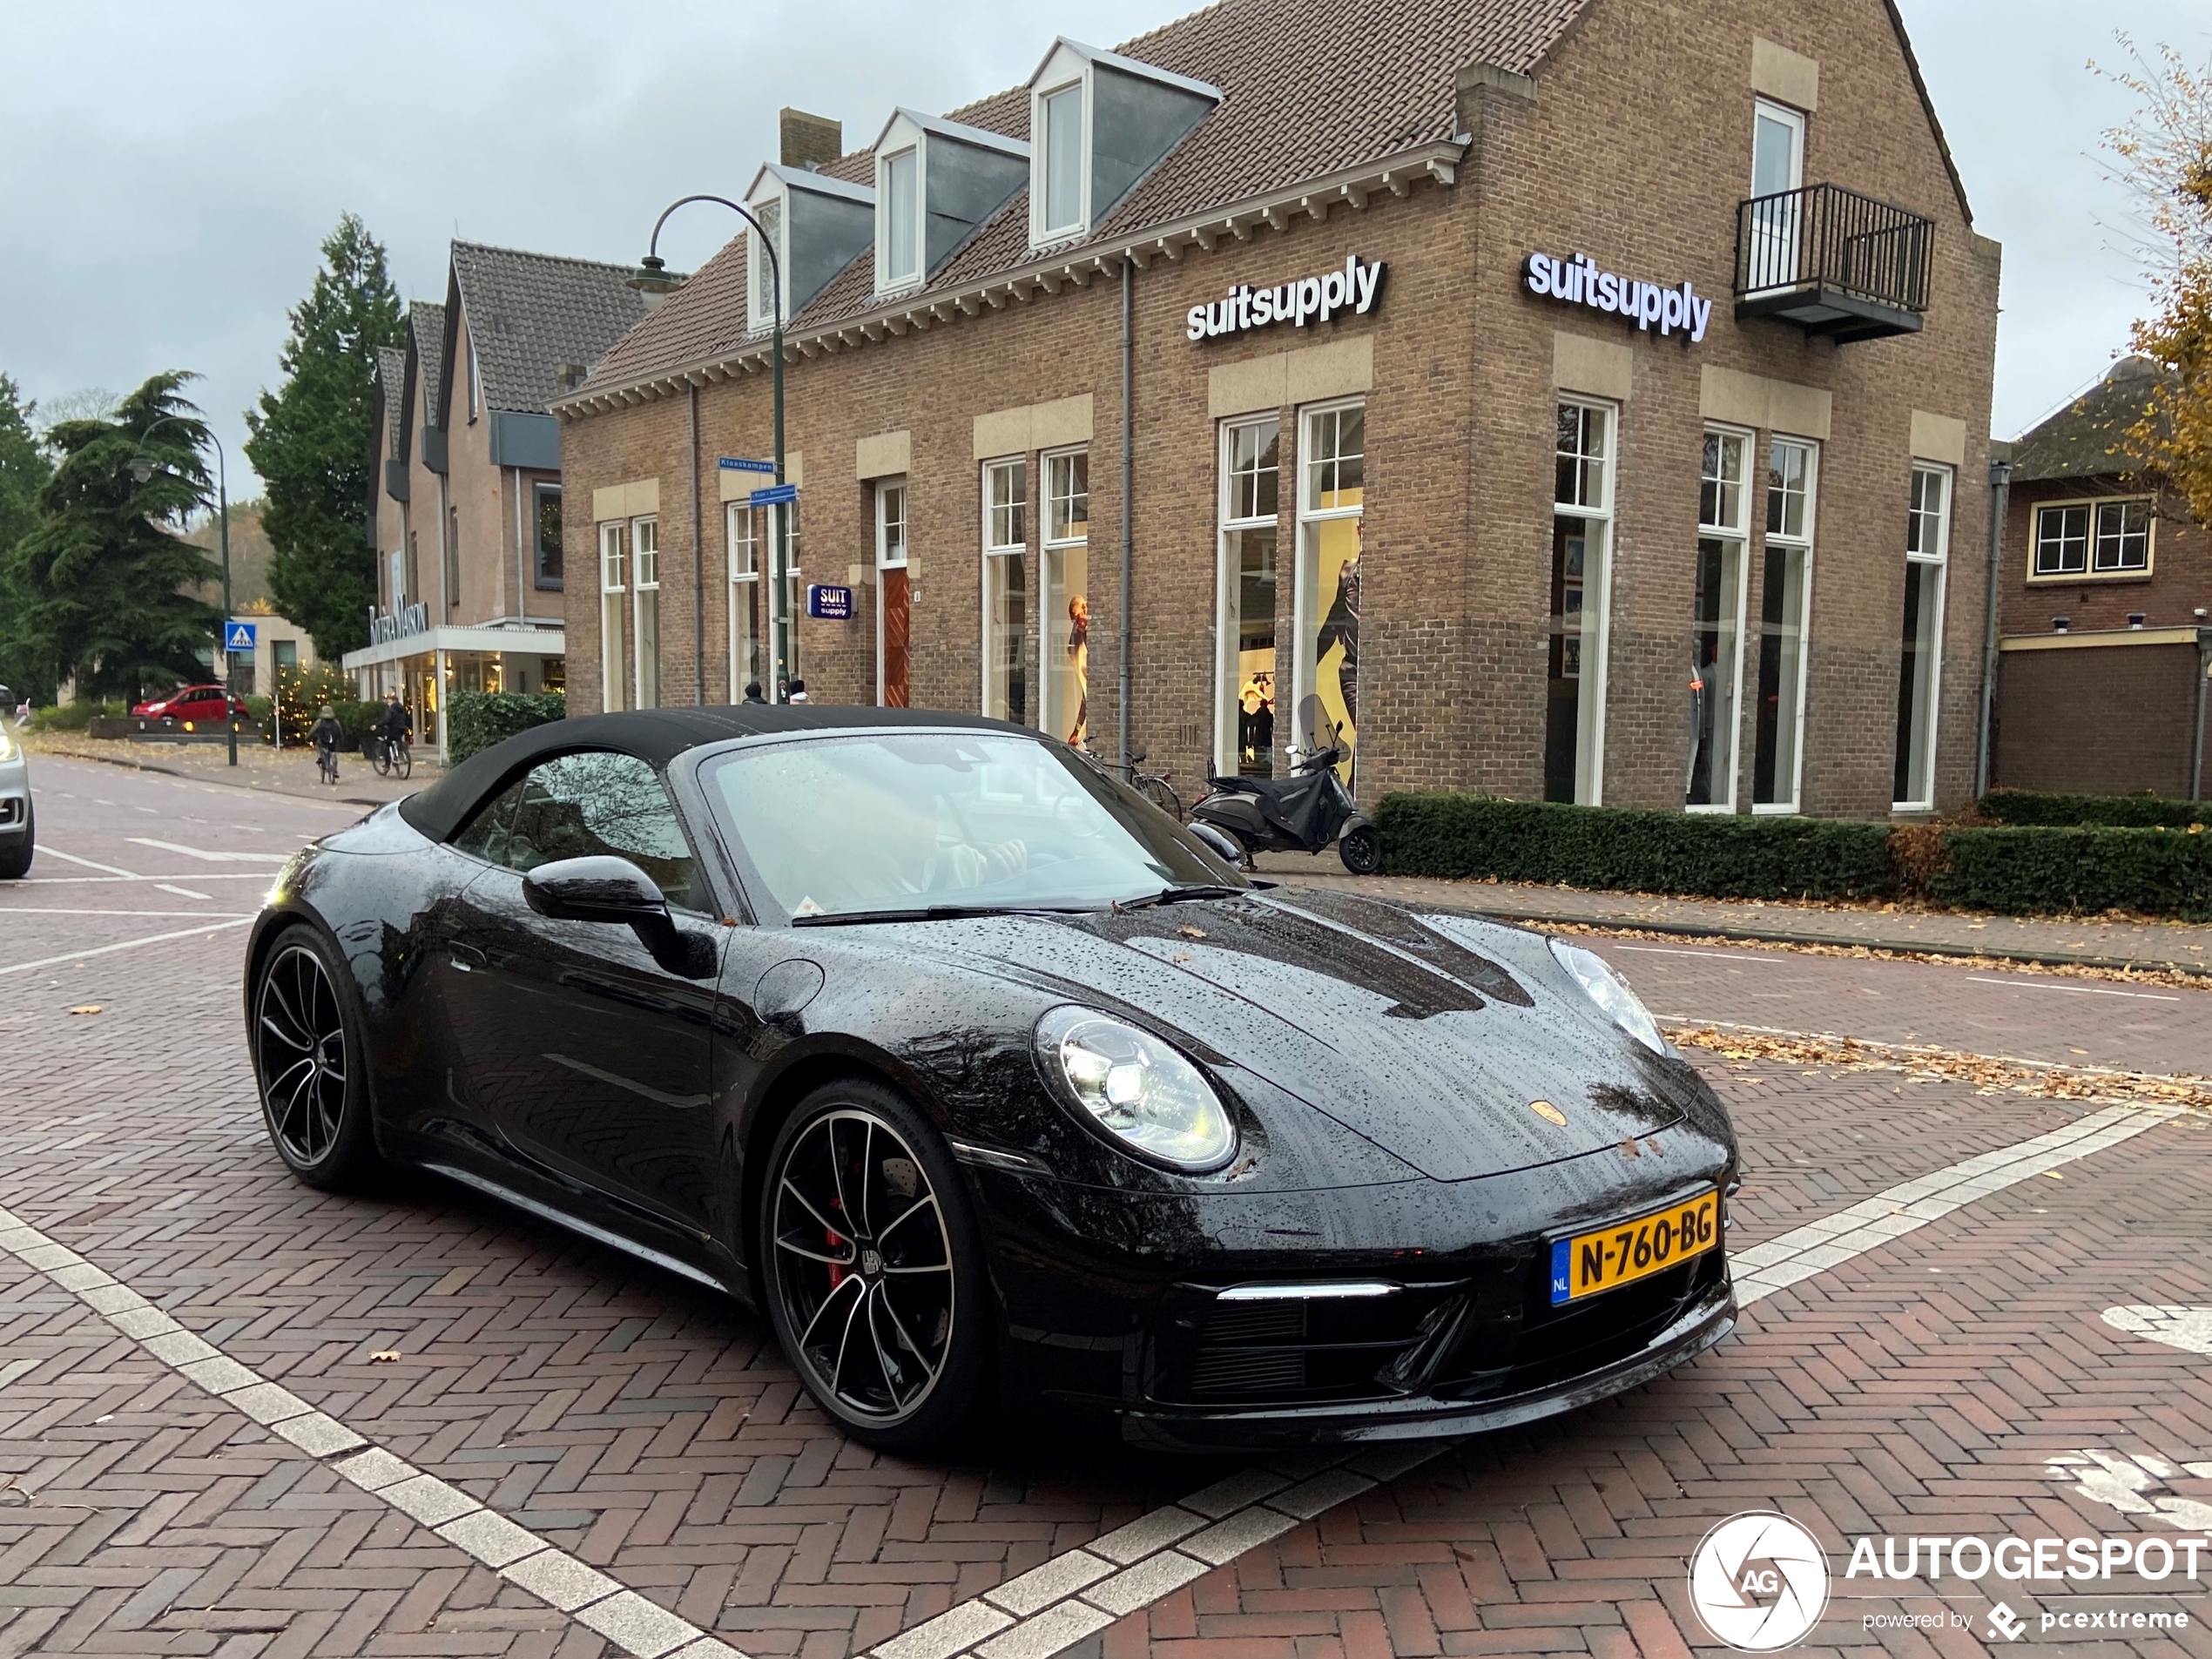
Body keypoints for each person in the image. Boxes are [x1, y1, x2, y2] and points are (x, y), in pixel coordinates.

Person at [312, 705, 343, 783]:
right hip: (333, 743)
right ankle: (335, 770)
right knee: (333, 753)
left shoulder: (319, 722)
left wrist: (307, 738)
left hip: (322, 743)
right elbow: (340, 732)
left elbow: (312, 731)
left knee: (320, 748)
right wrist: (341, 741)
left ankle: (322, 761)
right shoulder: (336, 722)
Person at [379, 691, 412, 758]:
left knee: (387, 744)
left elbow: (387, 720)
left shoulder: (391, 710)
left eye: (389, 701)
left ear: (392, 701)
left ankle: (387, 764)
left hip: (393, 729)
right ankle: (401, 753)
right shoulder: (402, 709)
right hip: (402, 728)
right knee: (398, 741)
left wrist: (379, 725)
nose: (388, 703)